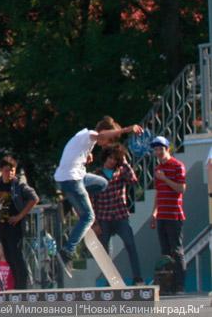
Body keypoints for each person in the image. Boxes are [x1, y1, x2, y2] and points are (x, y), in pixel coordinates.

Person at [54, 117, 143, 275]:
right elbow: (101, 135)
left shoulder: (85, 140)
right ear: (105, 132)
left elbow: (74, 152)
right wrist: (127, 129)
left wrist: (86, 156)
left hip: (76, 177)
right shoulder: (90, 134)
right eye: (108, 140)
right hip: (72, 179)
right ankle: (67, 251)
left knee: (102, 183)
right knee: (89, 217)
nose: (106, 144)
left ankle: (73, 201)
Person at [90, 145, 143, 284]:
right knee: (105, 252)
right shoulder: (96, 175)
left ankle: (137, 278)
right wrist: (94, 223)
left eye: (115, 159)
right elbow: (92, 199)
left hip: (120, 215)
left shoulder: (121, 172)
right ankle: (110, 280)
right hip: (103, 217)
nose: (112, 161)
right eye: (110, 158)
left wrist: (124, 162)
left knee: (130, 245)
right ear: (105, 157)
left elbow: (134, 181)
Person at [0, 156, 39, 291]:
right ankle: (17, 288)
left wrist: (19, 216)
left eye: (12, 170)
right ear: (1, 170)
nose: (10, 173)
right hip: (2, 227)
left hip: (15, 228)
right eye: (7, 170)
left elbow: (34, 198)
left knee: (17, 257)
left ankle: (22, 288)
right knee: (9, 259)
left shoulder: (18, 185)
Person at [150, 136, 186, 294]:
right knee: (165, 253)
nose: (158, 152)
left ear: (167, 149)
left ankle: (180, 285)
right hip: (162, 215)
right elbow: (158, 193)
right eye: (156, 149)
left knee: (176, 251)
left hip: (174, 214)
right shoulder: (157, 169)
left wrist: (165, 178)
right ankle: (167, 285)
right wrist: (154, 213)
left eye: (161, 149)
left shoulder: (177, 165)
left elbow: (181, 189)